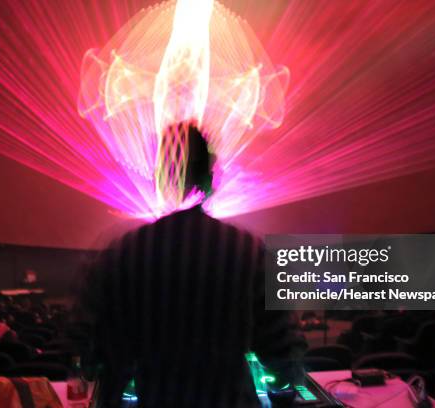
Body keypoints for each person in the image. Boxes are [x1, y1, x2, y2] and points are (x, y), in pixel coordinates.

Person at [77, 123, 303, 407]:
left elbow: (95, 349)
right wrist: (283, 393)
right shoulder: (248, 251)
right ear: (210, 178)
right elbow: (281, 348)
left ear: (161, 177)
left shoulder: (124, 252)